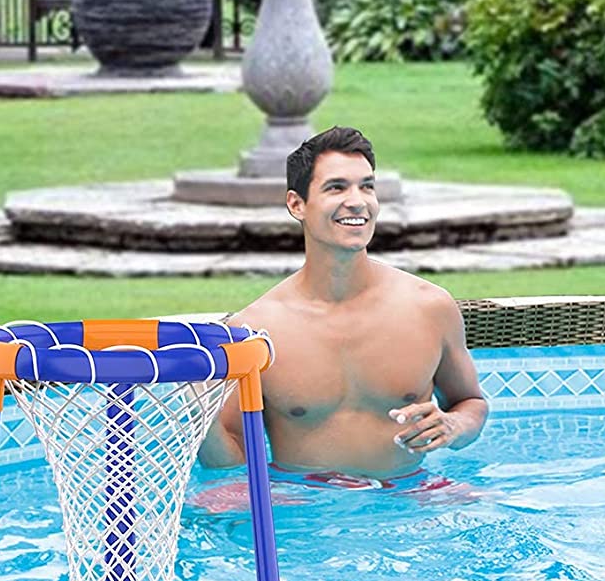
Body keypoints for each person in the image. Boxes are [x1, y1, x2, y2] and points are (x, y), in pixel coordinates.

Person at [198, 126, 488, 485]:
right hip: (305, 504)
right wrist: (199, 417)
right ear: (297, 204)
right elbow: (231, 463)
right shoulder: (255, 331)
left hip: (410, 496)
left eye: (367, 186)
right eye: (336, 187)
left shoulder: (430, 308)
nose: (358, 201)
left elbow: (471, 402)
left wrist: (455, 424)